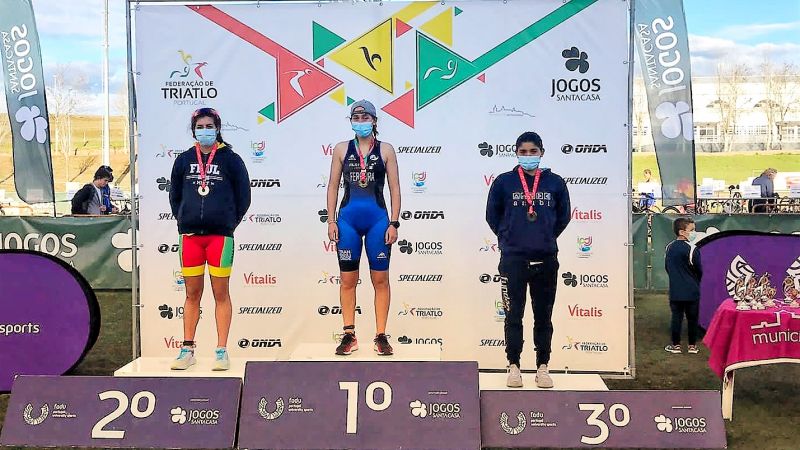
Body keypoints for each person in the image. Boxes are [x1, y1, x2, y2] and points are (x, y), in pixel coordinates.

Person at [486, 131, 571, 388]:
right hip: (513, 260)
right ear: (516, 153)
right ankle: (514, 366)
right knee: (513, 316)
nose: (528, 156)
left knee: (543, 317)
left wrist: (544, 237)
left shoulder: (555, 183)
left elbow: (563, 216)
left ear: (542, 152)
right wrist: (509, 237)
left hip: (546, 259)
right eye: (523, 152)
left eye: (533, 151)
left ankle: (543, 366)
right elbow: (492, 216)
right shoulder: (504, 182)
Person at [168, 107, 251, 371]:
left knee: (220, 293)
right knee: (192, 294)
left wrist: (227, 223)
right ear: (194, 130)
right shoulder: (183, 160)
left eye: (209, 126)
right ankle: (187, 349)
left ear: (217, 128)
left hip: (220, 238)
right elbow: (175, 196)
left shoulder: (231, 160)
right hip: (190, 237)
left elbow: (244, 197)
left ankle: (221, 351)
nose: (205, 131)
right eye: (200, 127)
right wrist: (185, 219)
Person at [326, 100, 401, 356]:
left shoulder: (386, 150)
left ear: (374, 121)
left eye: (365, 117)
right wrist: (331, 220)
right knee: (348, 280)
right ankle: (349, 334)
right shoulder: (341, 149)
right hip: (347, 221)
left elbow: (395, 188)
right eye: (356, 118)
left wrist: (394, 222)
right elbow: (333, 186)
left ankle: (381, 335)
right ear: (351, 121)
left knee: (380, 279)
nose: (360, 122)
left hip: (378, 220)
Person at [664, 217, 702, 354]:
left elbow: (667, 267)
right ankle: (692, 346)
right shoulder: (692, 249)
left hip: (676, 291)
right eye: (692, 230)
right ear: (681, 232)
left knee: (676, 318)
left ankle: (676, 346)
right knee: (693, 319)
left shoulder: (669, 247)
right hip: (692, 291)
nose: (694, 232)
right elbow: (699, 270)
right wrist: (694, 281)